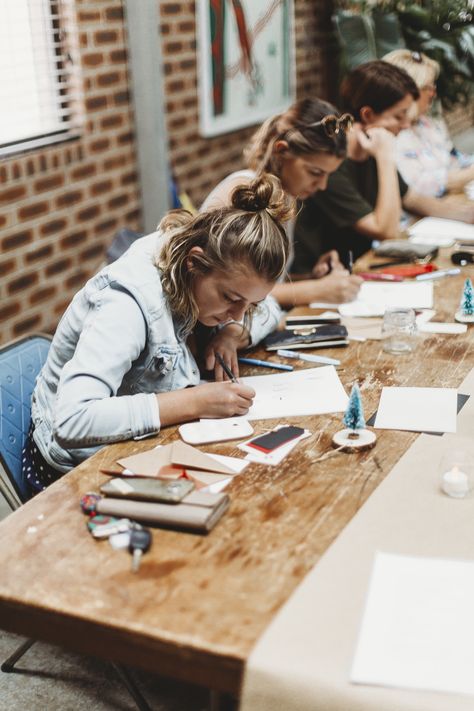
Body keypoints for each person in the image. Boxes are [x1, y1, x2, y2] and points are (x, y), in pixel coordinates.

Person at [25, 174, 292, 493]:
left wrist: (232, 333)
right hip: (74, 473)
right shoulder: (129, 304)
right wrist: (192, 401)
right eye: (231, 299)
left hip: (143, 450)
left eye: (250, 304)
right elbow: (72, 420)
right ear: (195, 263)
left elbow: (270, 309)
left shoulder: (211, 265)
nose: (238, 313)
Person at [292, 61, 474, 266]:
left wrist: (468, 215)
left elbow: (412, 199)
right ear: (367, 115)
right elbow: (385, 231)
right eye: (399, 116)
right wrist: (385, 158)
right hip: (326, 279)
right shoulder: (331, 165)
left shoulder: (371, 150)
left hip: (361, 268)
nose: (406, 125)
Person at [201, 98, 363, 309]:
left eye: (328, 176)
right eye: (315, 172)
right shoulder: (243, 191)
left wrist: (310, 277)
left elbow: (262, 282)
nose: (322, 185)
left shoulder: (288, 196)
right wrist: (318, 290)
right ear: (281, 151)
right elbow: (233, 289)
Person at [383, 49, 474, 197]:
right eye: (429, 87)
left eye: (434, 86)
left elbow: (456, 159)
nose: (434, 93)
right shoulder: (392, 134)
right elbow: (419, 187)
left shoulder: (429, 124)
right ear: (411, 90)